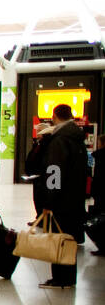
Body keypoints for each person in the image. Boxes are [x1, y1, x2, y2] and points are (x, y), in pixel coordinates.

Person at [26, 104, 88, 288]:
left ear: (54, 116)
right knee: (68, 239)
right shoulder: (76, 137)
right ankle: (68, 277)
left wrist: (49, 199)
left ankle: (61, 278)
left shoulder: (60, 139)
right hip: (74, 197)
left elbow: (55, 170)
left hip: (60, 200)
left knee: (58, 238)